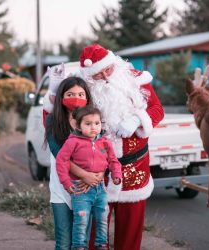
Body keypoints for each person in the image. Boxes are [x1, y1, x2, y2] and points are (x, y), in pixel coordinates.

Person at [79, 44, 164, 250]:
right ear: (90, 77)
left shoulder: (135, 79)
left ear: (113, 63)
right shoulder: (82, 92)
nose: (106, 77)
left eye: (108, 70)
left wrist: (137, 119)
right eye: (99, 75)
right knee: (95, 233)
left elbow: (157, 109)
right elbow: (61, 118)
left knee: (131, 231)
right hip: (97, 171)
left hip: (135, 167)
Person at [43, 72, 103, 250]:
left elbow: (102, 152)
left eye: (80, 94)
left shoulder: (92, 120)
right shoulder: (52, 120)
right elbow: (60, 155)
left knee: (81, 242)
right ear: (61, 97)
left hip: (87, 189)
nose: (75, 98)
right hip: (62, 187)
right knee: (63, 242)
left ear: (87, 98)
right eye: (70, 94)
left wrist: (97, 177)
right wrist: (86, 175)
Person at [55, 105, 122, 250]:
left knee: (103, 218)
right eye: (88, 124)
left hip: (100, 189)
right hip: (80, 188)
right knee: (81, 220)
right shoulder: (72, 142)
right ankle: (79, 246)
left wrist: (116, 174)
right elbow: (61, 161)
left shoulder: (104, 142)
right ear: (78, 126)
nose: (93, 127)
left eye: (97, 123)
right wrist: (66, 182)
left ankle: (101, 245)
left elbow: (113, 160)